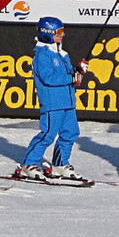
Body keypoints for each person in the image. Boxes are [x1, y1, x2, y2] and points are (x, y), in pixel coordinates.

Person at [15, 17, 82, 180]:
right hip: (53, 103)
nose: (62, 35)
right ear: (47, 34)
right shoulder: (42, 55)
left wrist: (77, 70)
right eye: (59, 32)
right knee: (48, 134)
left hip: (68, 101)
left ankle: (60, 164)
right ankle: (29, 164)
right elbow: (49, 78)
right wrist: (71, 78)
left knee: (71, 132)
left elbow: (67, 75)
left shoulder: (62, 54)